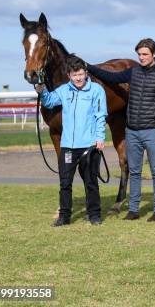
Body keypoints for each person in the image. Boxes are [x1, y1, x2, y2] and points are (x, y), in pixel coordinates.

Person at [87, 38, 155, 222]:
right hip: (132, 131)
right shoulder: (133, 72)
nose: (141, 58)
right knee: (134, 171)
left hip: (154, 130)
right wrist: (88, 66)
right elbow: (111, 77)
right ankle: (133, 209)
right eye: (139, 54)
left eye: (145, 54)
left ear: (154, 54)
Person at [37, 56, 107, 227]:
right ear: (69, 75)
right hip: (68, 146)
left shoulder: (96, 90)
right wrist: (42, 90)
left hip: (89, 146)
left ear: (86, 73)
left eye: (81, 74)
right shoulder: (64, 90)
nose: (78, 78)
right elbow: (50, 101)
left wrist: (100, 137)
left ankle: (94, 215)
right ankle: (64, 216)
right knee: (65, 183)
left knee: (91, 182)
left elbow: (100, 116)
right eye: (75, 75)